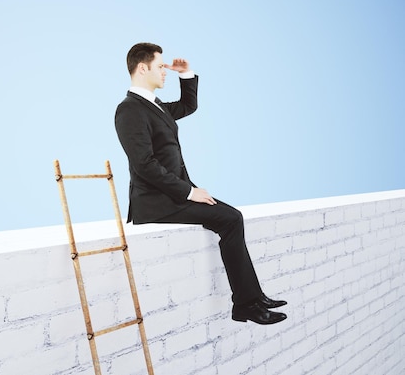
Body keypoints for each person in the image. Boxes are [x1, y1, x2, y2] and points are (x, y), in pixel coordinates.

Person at [114, 42, 287, 325]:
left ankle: (253, 298)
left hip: (174, 195)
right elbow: (144, 165)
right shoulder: (129, 110)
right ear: (142, 68)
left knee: (230, 217)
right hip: (156, 202)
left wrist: (187, 74)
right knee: (230, 218)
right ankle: (246, 304)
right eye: (160, 66)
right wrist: (189, 192)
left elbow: (187, 105)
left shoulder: (154, 106)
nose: (164, 71)